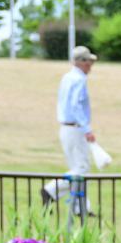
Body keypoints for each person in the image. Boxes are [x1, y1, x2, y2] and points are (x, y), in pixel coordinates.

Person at [43, 45, 98, 216]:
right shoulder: (79, 79)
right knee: (81, 168)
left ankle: (80, 206)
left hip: (66, 128)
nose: (91, 65)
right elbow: (76, 106)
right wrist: (87, 128)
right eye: (89, 61)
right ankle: (51, 190)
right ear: (81, 62)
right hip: (75, 128)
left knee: (77, 166)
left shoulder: (67, 77)